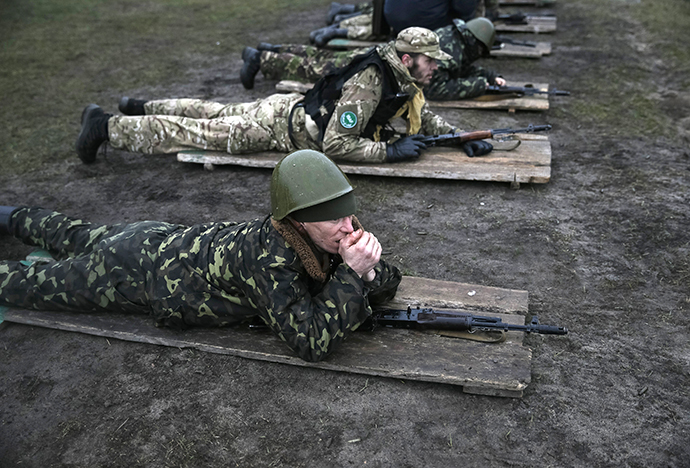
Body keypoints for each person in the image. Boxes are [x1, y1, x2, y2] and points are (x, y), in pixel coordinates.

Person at [0, 150, 402, 362]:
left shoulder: (329, 231)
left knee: (75, 233)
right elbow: (312, 342)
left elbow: (389, 282)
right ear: (297, 222)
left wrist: (365, 275)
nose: (349, 227)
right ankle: (12, 219)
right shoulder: (270, 259)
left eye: (348, 213)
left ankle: (11, 216)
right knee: (32, 285)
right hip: (136, 273)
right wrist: (352, 274)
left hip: (156, 237)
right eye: (334, 219)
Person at [76, 27, 494, 166]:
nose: (437, 67)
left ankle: (138, 106)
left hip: (286, 112)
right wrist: (388, 152)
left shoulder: (403, 78)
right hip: (280, 130)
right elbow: (336, 144)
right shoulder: (371, 82)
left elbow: (424, 116)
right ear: (408, 58)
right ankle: (106, 126)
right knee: (196, 131)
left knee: (212, 111)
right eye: (431, 61)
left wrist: (461, 137)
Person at [244, 18, 506, 101]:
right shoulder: (452, 53)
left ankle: (274, 49)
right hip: (380, 64)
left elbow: (466, 68)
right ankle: (263, 59)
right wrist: (479, 86)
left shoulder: (454, 38)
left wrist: (488, 74)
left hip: (383, 55)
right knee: (320, 68)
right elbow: (436, 89)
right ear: (476, 44)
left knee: (328, 58)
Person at [311, 0, 500, 44]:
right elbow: (463, 11)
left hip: (390, 14)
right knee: (459, 22)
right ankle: (339, 28)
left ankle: (340, 25)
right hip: (420, 21)